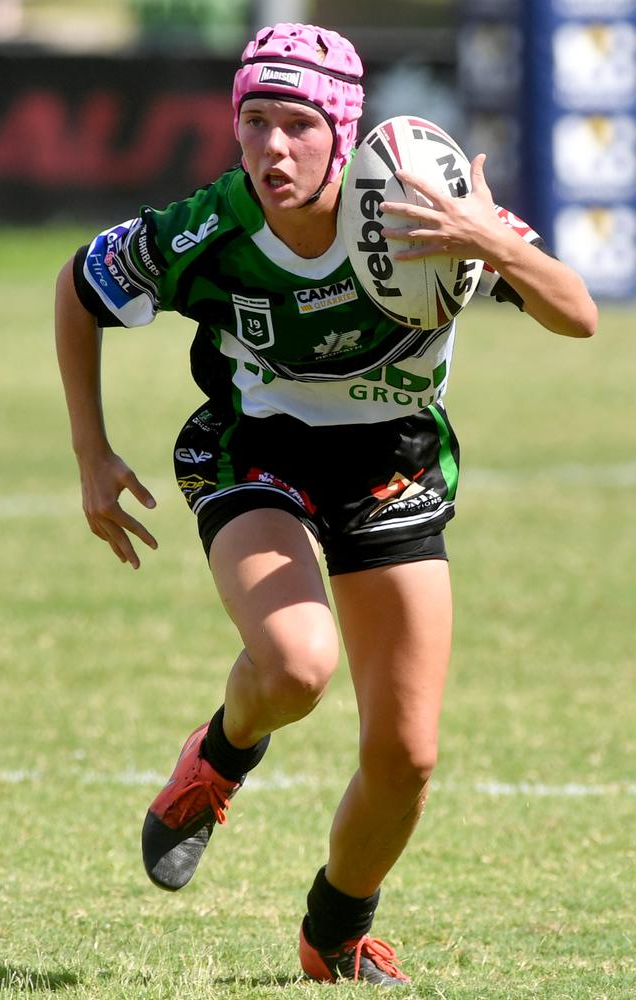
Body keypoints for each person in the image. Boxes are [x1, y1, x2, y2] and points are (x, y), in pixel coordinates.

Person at [54, 22, 597, 987]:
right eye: (252, 121)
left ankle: (334, 929)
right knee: (300, 665)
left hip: (389, 462)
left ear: (342, 131)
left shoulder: (419, 206)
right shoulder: (214, 230)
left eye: (297, 124)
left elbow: (578, 313)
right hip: (254, 451)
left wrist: (486, 239)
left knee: (408, 756)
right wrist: (91, 456)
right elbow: (79, 286)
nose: (271, 148)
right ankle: (221, 757)